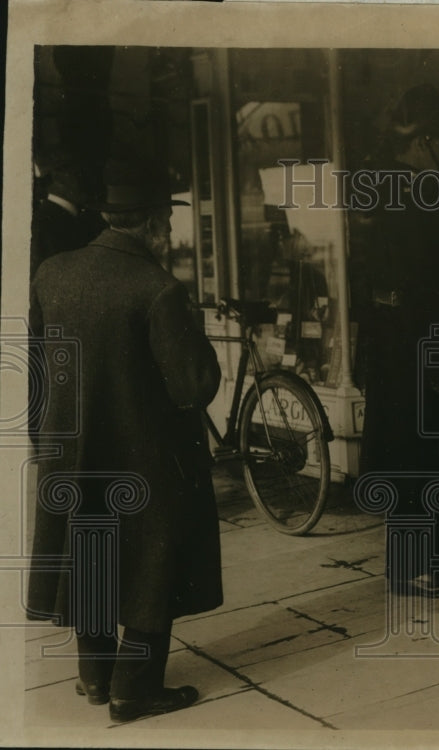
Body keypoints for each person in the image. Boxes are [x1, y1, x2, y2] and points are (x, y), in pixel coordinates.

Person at [27, 159, 223, 722]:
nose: (167, 231)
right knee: (149, 568)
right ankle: (134, 689)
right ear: (154, 222)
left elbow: (35, 363)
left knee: (91, 555)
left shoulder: (53, 273)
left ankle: (94, 677)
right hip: (146, 457)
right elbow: (193, 386)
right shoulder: (158, 289)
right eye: (165, 220)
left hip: (71, 452)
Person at [352, 84, 439, 598]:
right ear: (422, 142)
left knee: (409, 452)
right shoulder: (414, 196)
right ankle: (412, 569)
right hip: (417, 350)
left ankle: (427, 556)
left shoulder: (381, 192)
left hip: (391, 347)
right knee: (415, 455)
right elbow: (430, 286)